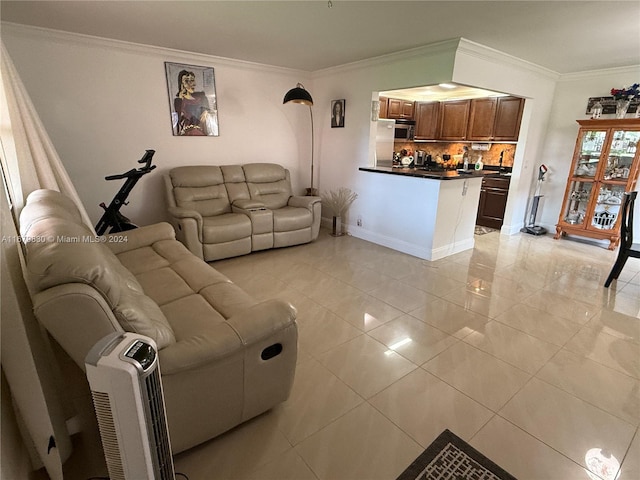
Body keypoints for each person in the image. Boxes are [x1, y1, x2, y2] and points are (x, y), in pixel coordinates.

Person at [173, 70, 216, 136]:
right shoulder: (179, 101)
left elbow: (209, 116)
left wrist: (206, 112)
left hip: (203, 131)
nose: (191, 84)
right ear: (182, 84)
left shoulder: (202, 97)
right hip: (187, 132)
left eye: (192, 80)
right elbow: (178, 121)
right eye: (187, 81)